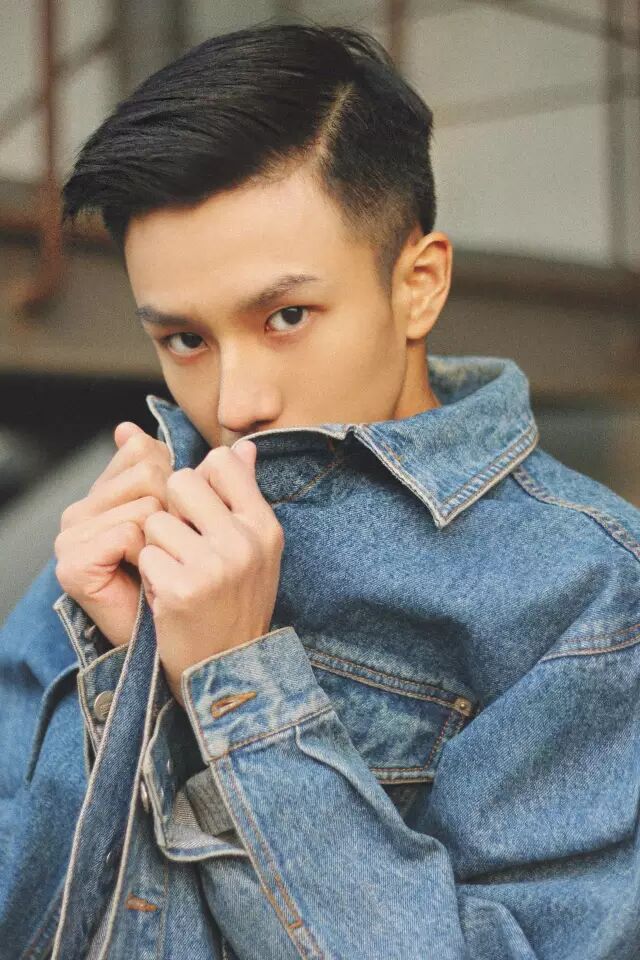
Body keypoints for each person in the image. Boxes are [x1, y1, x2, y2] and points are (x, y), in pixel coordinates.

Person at [1, 21, 639, 960]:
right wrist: (124, 666)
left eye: (287, 316)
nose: (235, 402)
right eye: (184, 339)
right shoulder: (130, 526)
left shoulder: (587, 590)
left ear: (419, 285)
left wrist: (233, 681)